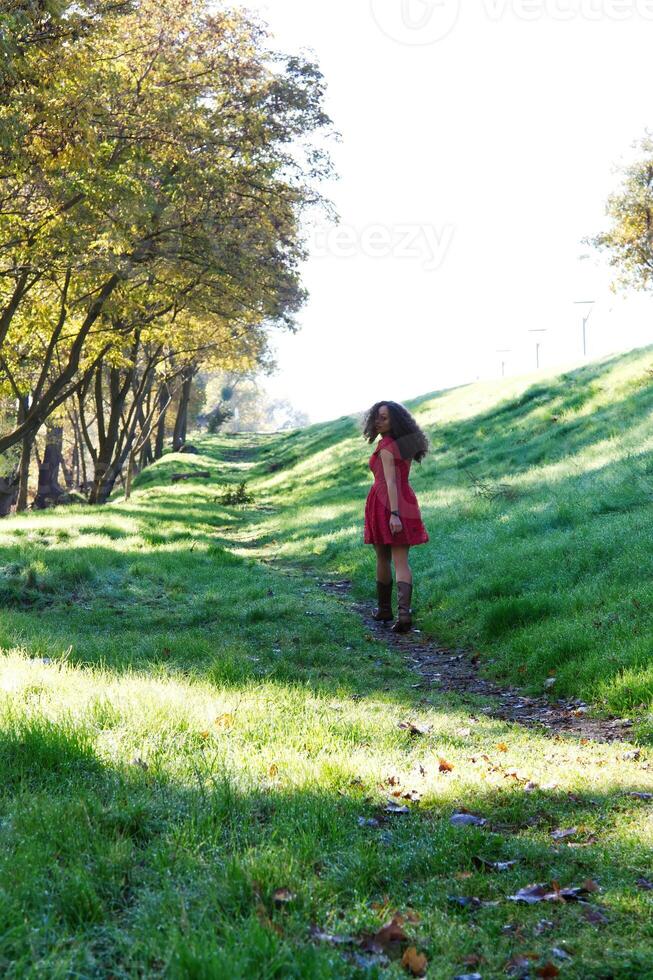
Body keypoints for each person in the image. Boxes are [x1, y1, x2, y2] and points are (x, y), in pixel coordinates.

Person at [362, 401, 429, 633]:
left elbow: (390, 481)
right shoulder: (403, 444)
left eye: (385, 418)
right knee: (398, 560)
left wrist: (394, 514)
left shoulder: (387, 447)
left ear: (395, 421)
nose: (379, 422)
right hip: (404, 499)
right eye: (377, 417)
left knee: (386, 558)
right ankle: (399, 613)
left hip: (386, 503)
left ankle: (390, 611)